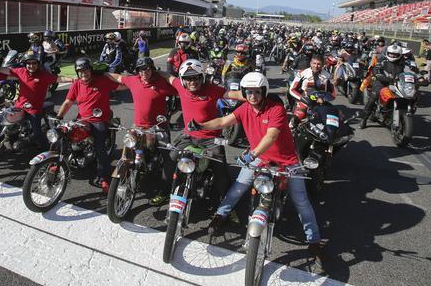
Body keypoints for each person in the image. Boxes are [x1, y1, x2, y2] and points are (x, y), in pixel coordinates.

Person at [190, 71, 326, 271]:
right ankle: (219, 216)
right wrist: (200, 125)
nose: (252, 96)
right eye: (248, 92)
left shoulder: (276, 109)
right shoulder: (244, 108)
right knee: (238, 188)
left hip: (286, 161)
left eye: (256, 92)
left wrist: (251, 155)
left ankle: (314, 243)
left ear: (264, 92)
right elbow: (222, 122)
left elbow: (271, 137)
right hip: (260, 158)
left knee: (301, 201)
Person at [156, 59, 245, 206]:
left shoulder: (212, 89)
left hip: (211, 138)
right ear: (183, 80)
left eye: (196, 77)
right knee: (169, 162)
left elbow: (233, 95)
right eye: (188, 78)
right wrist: (153, 71)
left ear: (202, 77)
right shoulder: (180, 86)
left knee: (221, 173)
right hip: (187, 135)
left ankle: (227, 205)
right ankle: (164, 192)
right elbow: (168, 77)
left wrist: (256, 94)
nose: (192, 81)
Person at [104, 57, 177, 204]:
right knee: (127, 146)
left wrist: (164, 74)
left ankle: (165, 190)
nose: (144, 72)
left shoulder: (161, 82)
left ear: (152, 68)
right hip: (138, 126)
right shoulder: (134, 80)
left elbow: (180, 88)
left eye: (147, 68)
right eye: (141, 69)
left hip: (158, 127)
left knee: (169, 159)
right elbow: (118, 77)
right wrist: (101, 73)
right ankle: (124, 170)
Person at [56, 57, 123, 194]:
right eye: (79, 71)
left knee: (100, 148)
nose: (83, 73)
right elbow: (68, 102)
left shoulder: (103, 81)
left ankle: (103, 177)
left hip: (99, 120)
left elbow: (124, 85)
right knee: (63, 134)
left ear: (91, 70)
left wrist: (106, 74)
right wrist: (59, 117)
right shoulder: (77, 84)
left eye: (85, 70)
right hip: (82, 119)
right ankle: (58, 162)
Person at [5, 50, 73, 150]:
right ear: (25, 64)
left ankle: (47, 150)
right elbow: (5, 70)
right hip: (19, 107)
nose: (31, 66)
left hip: (34, 109)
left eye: (34, 63)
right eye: (28, 63)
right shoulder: (21, 71)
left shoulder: (43, 75)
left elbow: (60, 79)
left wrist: (74, 80)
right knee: (9, 125)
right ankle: (12, 143)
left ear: (38, 64)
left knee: (37, 132)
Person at [360, 44, 406, 129]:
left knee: (406, 96)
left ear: (399, 54)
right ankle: (364, 119)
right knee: (373, 97)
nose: (393, 56)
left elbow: (409, 70)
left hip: (397, 82)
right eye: (391, 54)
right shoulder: (382, 59)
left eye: (395, 54)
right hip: (382, 81)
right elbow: (375, 69)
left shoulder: (402, 61)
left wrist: (418, 77)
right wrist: (378, 75)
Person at [289, 55, 335, 127]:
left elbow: (333, 92)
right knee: (298, 117)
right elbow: (292, 89)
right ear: (310, 63)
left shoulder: (327, 75)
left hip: (322, 102)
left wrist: (325, 99)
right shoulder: (302, 73)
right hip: (305, 100)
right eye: (314, 63)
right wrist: (302, 98)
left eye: (319, 64)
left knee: (335, 117)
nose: (316, 66)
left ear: (322, 65)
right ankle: (290, 131)